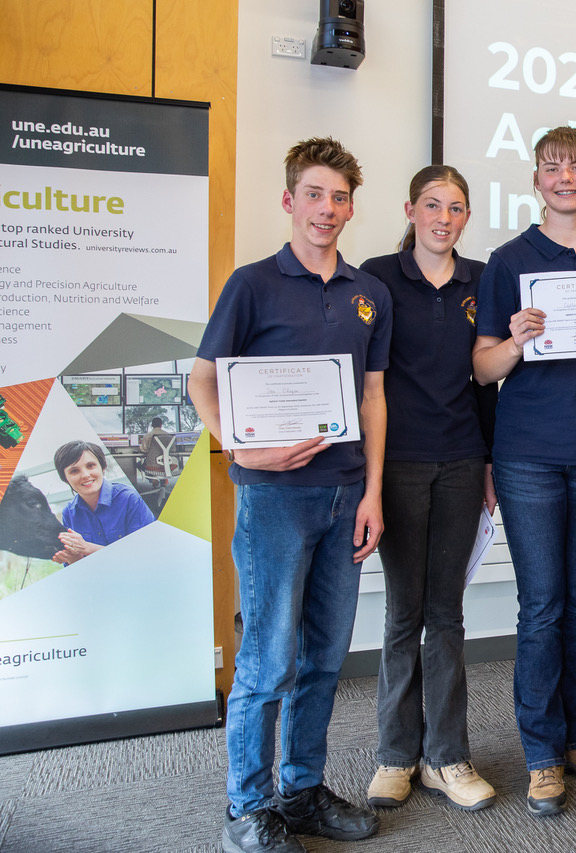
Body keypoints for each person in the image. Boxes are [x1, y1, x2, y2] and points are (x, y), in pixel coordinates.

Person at [188, 137, 390, 853]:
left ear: (350, 208)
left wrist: (372, 492)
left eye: (339, 197)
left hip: (345, 501)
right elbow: (202, 381)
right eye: (314, 194)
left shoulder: (371, 294)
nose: (327, 209)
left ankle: (300, 791)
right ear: (288, 200)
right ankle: (248, 808)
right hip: (274, 499)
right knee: (267, 661)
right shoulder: (252, 284)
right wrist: (240, 447)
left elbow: (373, 398)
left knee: (325, 659)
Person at [472, 126, 576, 817]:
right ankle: (541, 750)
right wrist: (517, 338)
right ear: (536, 180)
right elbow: (482, 366)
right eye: (551, 167)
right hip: (529, 456)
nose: (564, 177)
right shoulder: (509, 260)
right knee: (541, 607)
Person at [359, 165, 498, 812]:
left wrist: (492, 462)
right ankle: (395, 754)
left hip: (464, 462)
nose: (445, 217)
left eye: (458, 207)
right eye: (433, 205)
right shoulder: (378, 279)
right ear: (411, 209)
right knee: (401, 615)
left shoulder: (482, 281)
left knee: (446, 614)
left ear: (467, 217)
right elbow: (367, 383)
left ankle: (447, 755)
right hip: (399, 465)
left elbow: (488, 381)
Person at [52, 439, 156, 564]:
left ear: (103, 467)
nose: (85, 475)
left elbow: (144, 556)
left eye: (90, 466)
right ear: (65, 479)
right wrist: (74, 559)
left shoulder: (130, 499)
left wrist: (87, 548)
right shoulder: (69, 513)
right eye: (74, 471)